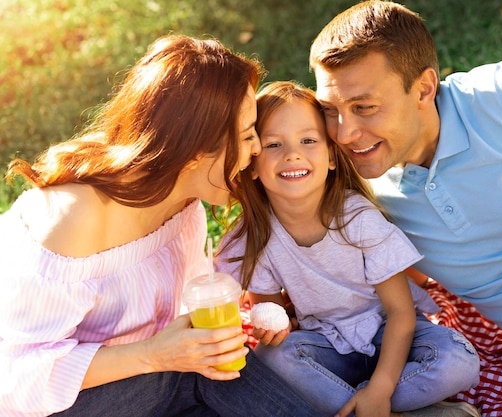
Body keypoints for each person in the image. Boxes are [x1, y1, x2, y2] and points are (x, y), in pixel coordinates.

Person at [309, 1, 502, 416]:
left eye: (364, 107)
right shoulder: (362, 194)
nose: (345, 133)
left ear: (423, 88)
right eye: (330, 111)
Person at [0, 35, 325, 417]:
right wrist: (156, 355)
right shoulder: (73, 219)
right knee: (201, 371)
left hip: (137, 390)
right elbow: (13, 379)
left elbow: (182, 319)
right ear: (192, 149)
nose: (255, 149)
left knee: (215, 369)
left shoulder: (184, 208)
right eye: (246, 135)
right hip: (44, 406)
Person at [216, 81, 480, 417]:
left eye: (308, 140)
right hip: (325, 344)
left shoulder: (358, 220)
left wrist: (381, 389)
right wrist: (273, 326)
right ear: (252, 163)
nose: (292, 154)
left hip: (390, 337)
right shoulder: (254, 237)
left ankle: (364, 404)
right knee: (271, 359)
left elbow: (401, 315)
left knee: (459, 361)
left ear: (331, 157)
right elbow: (271, 318)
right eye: (273, 144)